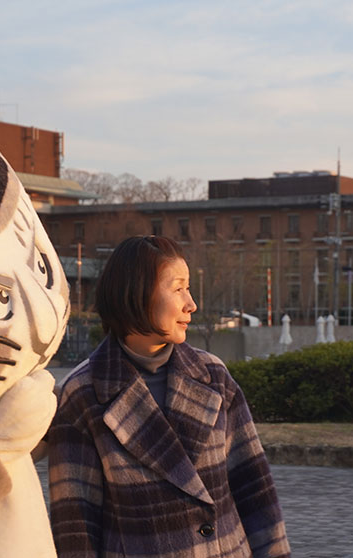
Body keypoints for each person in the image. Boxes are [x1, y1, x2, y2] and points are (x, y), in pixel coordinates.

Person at [48, 235, 291, 558]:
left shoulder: (214, 376)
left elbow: (255, 490)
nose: (191, 303)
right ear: (136, 292)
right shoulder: (83, 394)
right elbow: (75, 526)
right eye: (178, 289)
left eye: (188, 289)